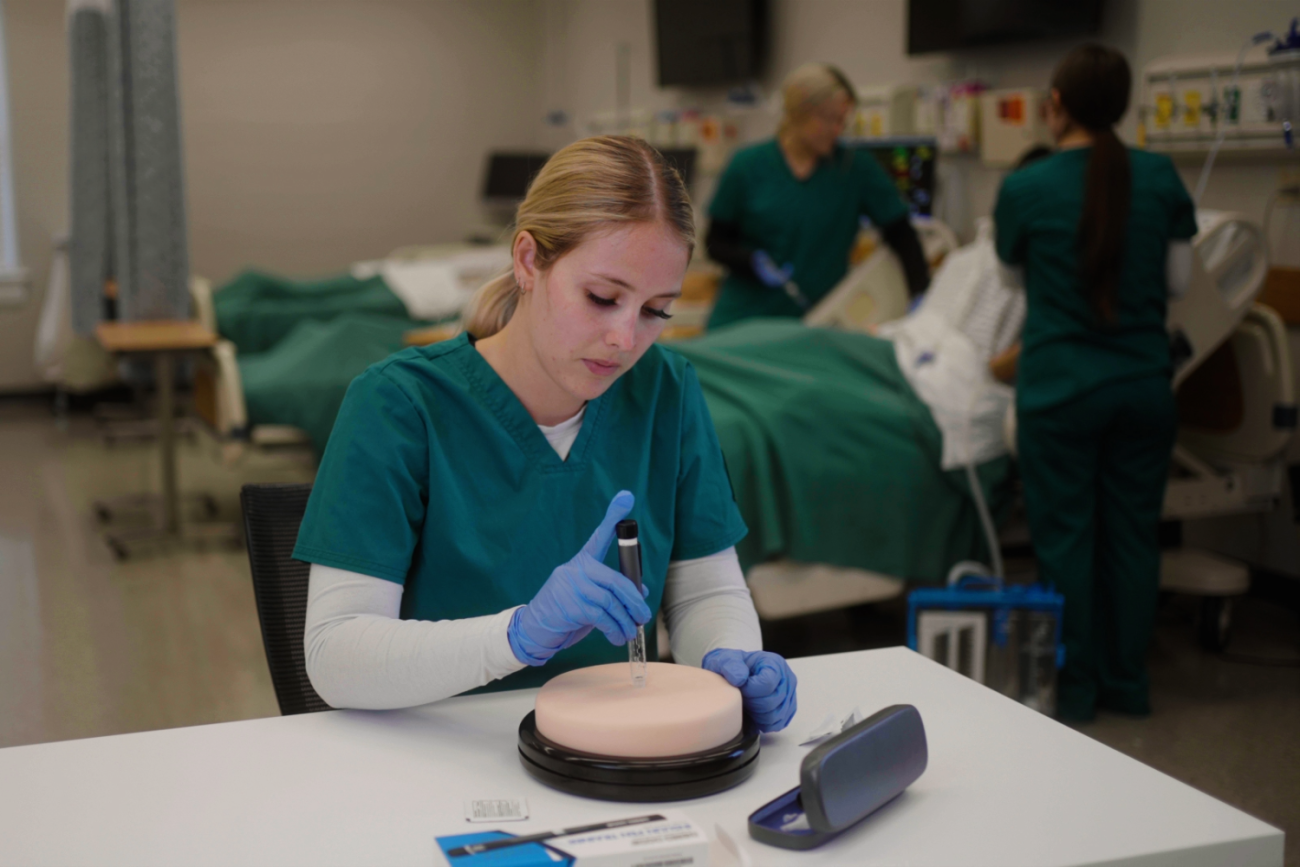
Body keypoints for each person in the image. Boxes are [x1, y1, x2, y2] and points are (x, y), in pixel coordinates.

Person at [292, 135, 797, 732]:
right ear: (529, 261)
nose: (625, 339)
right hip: (441, 750)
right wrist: (519, 634)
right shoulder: (400, 405)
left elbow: (704, 594)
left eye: (656, 310)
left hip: (612, 750)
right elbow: (335, 655)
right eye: (602, 297)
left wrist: (727, 660)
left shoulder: (667, 391)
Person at [993, 45, 1197, 721]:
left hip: (1060, 391)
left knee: (1066, 540)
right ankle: (1128, 686)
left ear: (1055, 105)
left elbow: (1013, 285)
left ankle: (1074, 692)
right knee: (1134, 535)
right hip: (1142, 384)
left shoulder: (1026, 189)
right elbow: (1178, 285)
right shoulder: (1162, 177)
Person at [705, 62, 929, 330]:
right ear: (798, 113)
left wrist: (922, 297)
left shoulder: (854, 168)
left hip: (818, 320)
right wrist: (751, 263)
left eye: (842, 121)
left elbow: (901, 234)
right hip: (743, 318)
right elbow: (715, 242)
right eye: (829, 120)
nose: (837, 130)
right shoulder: (747, 165)